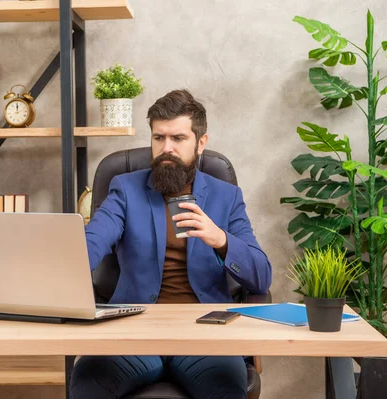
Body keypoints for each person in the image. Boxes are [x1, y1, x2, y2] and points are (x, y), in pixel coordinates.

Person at [70, 89, 272, 399]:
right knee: (87, 379)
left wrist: (219, 239)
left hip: (203, 334)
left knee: (226, 388)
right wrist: (64, 266)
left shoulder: (225, 196)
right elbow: (94, 240)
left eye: (178, 138)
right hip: (134, 331)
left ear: (200, 142)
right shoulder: (125, 188)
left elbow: (261, 277)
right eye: (158, 138)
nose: (167, 149)